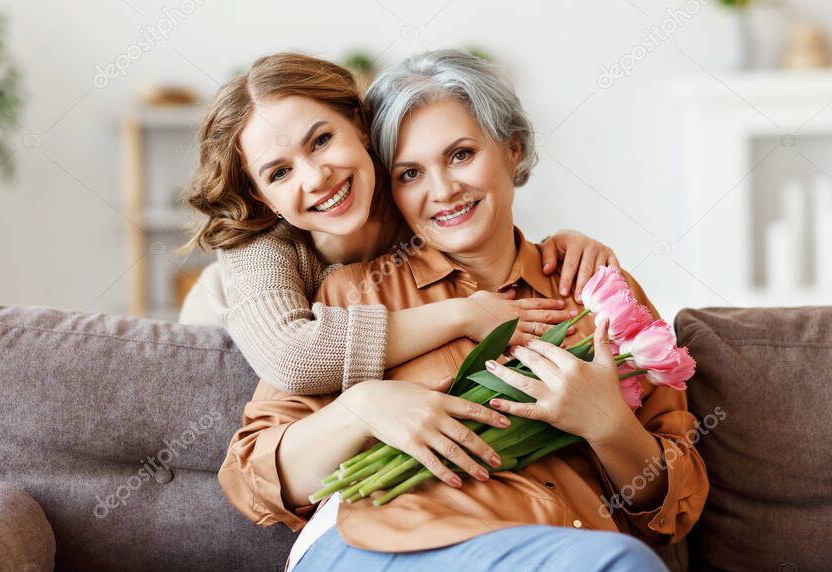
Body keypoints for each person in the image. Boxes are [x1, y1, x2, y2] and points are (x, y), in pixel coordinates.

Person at [218, 50, 707, 572]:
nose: (444, 189)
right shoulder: (350, 293)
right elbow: (252, 476)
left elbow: (677, 506)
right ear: (391, 187)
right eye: (410, 173)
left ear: (512, 147)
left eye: (462, 154)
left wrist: (608, 424)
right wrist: (364, 406)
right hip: (387, 545)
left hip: (559, 557)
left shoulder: (593, 293)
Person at [178, 52, 620, 395]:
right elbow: (295, 359)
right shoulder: (258, 247)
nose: (315, 178)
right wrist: (466, 314)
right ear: (260, 195)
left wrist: (557, 245)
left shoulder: (405, 190)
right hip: (232, 344)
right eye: (279, 172)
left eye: (322, 140)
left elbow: (479, 217)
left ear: (360, 126)